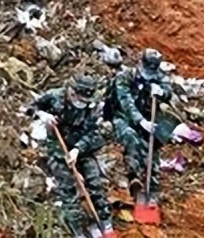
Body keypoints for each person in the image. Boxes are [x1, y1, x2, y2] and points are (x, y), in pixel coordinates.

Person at [28, 76, 117, 238]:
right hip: (58, 146)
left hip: (81, 147)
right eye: (80, 99)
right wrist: (42, 114)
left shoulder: (91, 105)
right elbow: (31, 107)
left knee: (94, 183)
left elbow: (91, 131)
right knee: (67, 188)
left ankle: (104, 223)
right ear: (72, 92)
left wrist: (77, 149)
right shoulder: (55, 96)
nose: (82, 103)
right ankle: (77, 229)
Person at [107, 49, 172, 205]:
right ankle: (133, 176)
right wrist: (141, 121)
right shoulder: (125, 77)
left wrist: (162, 92)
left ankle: (152, 193)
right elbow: (126, 103)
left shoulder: (158, 76)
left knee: (155, 147)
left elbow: (168, 91)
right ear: (140, 63)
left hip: (147, 119)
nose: (149, 74)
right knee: (131, 137)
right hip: (123, 118)